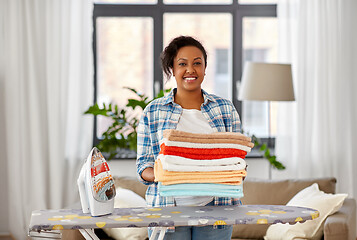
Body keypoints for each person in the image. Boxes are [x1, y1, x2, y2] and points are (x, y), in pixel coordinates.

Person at [136, 36, 242, 240]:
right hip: (167, 212)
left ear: (205, 68)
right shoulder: (153, 111)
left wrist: (235, 172)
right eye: (182, 64)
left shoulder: (225, 108)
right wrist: (167, 175)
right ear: (172, 69)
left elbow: (236, 160)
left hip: (216, 210)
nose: (190, 70)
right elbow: (143, 166)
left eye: (197, 63)